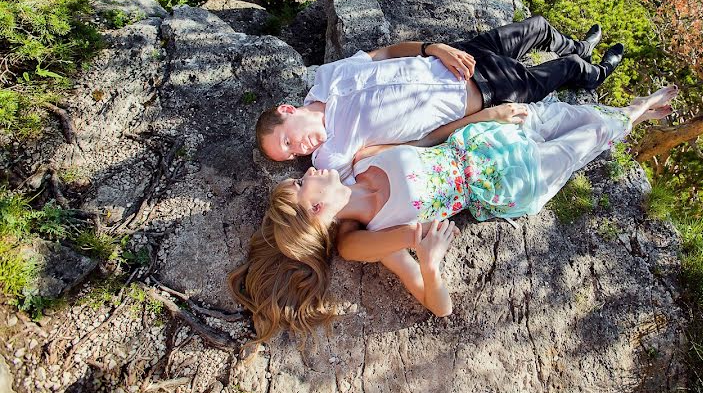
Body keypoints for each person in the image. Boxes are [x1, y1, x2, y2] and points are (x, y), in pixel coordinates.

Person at [229, 85, 678, 342]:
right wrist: (430, 261)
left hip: (487, 137)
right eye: (302, 182)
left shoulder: (360, 159)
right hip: (512, 178)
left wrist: (490, 113)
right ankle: (637, 112)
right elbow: (438, 307)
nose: (307, 171)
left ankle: (630, 113)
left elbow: (429, 141)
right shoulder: (357, 239)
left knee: (571, 114)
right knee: (593, 134)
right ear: (317, 210)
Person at [255, 16, 626, 182]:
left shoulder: (326, 76)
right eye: (288, 155)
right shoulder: (333, 157)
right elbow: (422, 142)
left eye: (286, 140)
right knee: (567, 69)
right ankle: (597, 72)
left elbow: (384, 54)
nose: (297, 151)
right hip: (483, 90)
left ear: (287, 111)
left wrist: (434, 47)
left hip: (459, 55)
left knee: (538, 27)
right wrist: (487, 116)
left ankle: (579, 44)